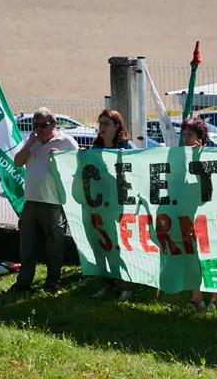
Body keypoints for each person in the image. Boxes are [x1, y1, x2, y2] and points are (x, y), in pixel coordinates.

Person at [8, 107, 79, 294]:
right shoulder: (33, 142)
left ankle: (53, 282)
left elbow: (76, 168)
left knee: (54, 245)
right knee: (27, 246)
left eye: (43, 125)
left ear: (53, 125)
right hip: (31, 201)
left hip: (53, 202)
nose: (39, 129)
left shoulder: (66, 141)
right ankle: (23, 283)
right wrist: (30, 142)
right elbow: (17, 162)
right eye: (35, 125)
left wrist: (60, 158)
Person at [89, 109, 137, 301]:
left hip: (121, 205)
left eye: (106, 123)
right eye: (100, 123)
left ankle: (127, 285)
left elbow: (137, 170)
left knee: (121, 245)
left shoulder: (127, 146)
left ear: (117, 126)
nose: (102, 127)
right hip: (101, 205)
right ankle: (108, 283)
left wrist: (127, 158)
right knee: (104, 244)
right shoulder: (95, 148)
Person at [180, 116, 217, 312]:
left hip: (210, 215)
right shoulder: (179, 157)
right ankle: (197, 297)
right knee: (193, 256)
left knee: (212, 255)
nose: (186, 139)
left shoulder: (212, 155)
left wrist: (198, 157)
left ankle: (215, 297)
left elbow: (211, 188)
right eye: (184, 134)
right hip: (190, 214)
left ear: (201, 138)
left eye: (191, 135)